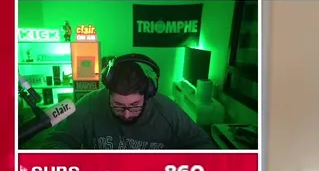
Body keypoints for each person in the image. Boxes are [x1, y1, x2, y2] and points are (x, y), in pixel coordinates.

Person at [39, 58, 215, 150]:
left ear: (147, 95)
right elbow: (54, 141)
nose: (126, 114)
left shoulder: (167, 110)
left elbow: (204, 145)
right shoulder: (90, 104)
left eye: (135, 105)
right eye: (117, 104)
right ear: (107, 93)